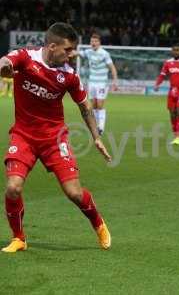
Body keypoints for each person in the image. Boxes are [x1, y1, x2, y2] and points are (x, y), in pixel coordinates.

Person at [0, 22, 112, 253]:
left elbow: (85, 106)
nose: (73, 54)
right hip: (23, 136)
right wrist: (4, 68)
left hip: (55, 139)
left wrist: (96, 136)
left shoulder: (70, 76)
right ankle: (19, 238)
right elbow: (6, 61)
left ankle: (98, 223)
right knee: (13, 188)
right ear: (52, 46)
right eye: (68, 49)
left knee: (74, 193)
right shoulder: (26, 57)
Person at [78, 33, 118, 135]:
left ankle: (101, 127)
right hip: (92, 82)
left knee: (100, 105)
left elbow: (112, 68)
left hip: (102, 83)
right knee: (93, 105)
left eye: (95, 41)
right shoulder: (88, 52)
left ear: (99, 43)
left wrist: (115, 81)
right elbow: (77, 53)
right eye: (92, 41)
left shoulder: (104, 54)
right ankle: (96, 126)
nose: (93, 43)